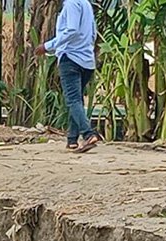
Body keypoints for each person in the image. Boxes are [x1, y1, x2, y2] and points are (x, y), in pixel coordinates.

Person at [35, 0, 99, 152]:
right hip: (87, 61)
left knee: (72, 99)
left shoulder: (71, 3)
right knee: (76, 100)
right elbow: (93, 32)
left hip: (71, 59)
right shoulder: (86, 4)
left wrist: (48, 46)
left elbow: (72, 30)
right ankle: (72, 139)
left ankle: (88, 134)